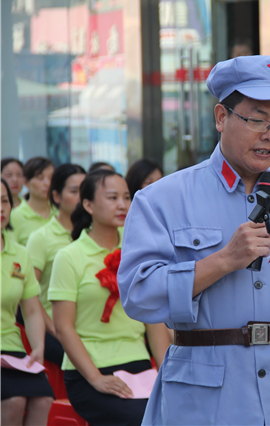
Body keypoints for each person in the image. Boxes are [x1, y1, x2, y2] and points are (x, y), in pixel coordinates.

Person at [117, 55, 270, 425]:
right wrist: (222, 260)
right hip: (205, 397)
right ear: (220, 117)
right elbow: (138, 294)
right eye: (258, 119)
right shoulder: (162, 198)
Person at [49, 170, 169, 426]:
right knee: (138, 418)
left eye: (126, 197)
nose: (123, 205)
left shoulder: (138, 250)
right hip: (89, 370)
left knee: (175, 413)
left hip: (138, 365)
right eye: (113, 197)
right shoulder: (69, 257)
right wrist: (96, 378)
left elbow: (154, 320)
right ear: (88, 205)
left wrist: (166, 371)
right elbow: (63, 328)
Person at [1, 179, 54, 426]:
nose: (1, 208)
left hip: (10, 350)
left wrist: (38, 347)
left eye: (4, 201)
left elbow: (32, 311)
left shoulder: (20, 254)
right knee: (13, 401)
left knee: (43, 399)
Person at [26, 163, 86, 366]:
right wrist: (56, 331)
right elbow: (30, 295)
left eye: (85, 190)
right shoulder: (41, 238)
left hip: (92, 330)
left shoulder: (97, 235)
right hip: (55, 331)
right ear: (57, 196)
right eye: (74, 191)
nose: (81, 197)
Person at [11, 157, 56, 245]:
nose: (47, 183)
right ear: (26, 182)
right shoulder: (15, 216)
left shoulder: (59, 213)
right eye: (40, 178)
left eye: (51, 178)